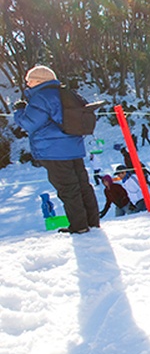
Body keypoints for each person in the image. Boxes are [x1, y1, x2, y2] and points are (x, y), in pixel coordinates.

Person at [13, 65, 100, 234]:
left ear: (39, 81)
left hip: (53, 150)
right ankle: (92, 222)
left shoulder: (41, 97)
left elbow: (29, 123)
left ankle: (79, 226)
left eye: (29, 80)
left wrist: (19, 110)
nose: (27, 83)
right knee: (83, 185)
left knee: (68, 188)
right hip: (74, 147)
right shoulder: (67, 93)